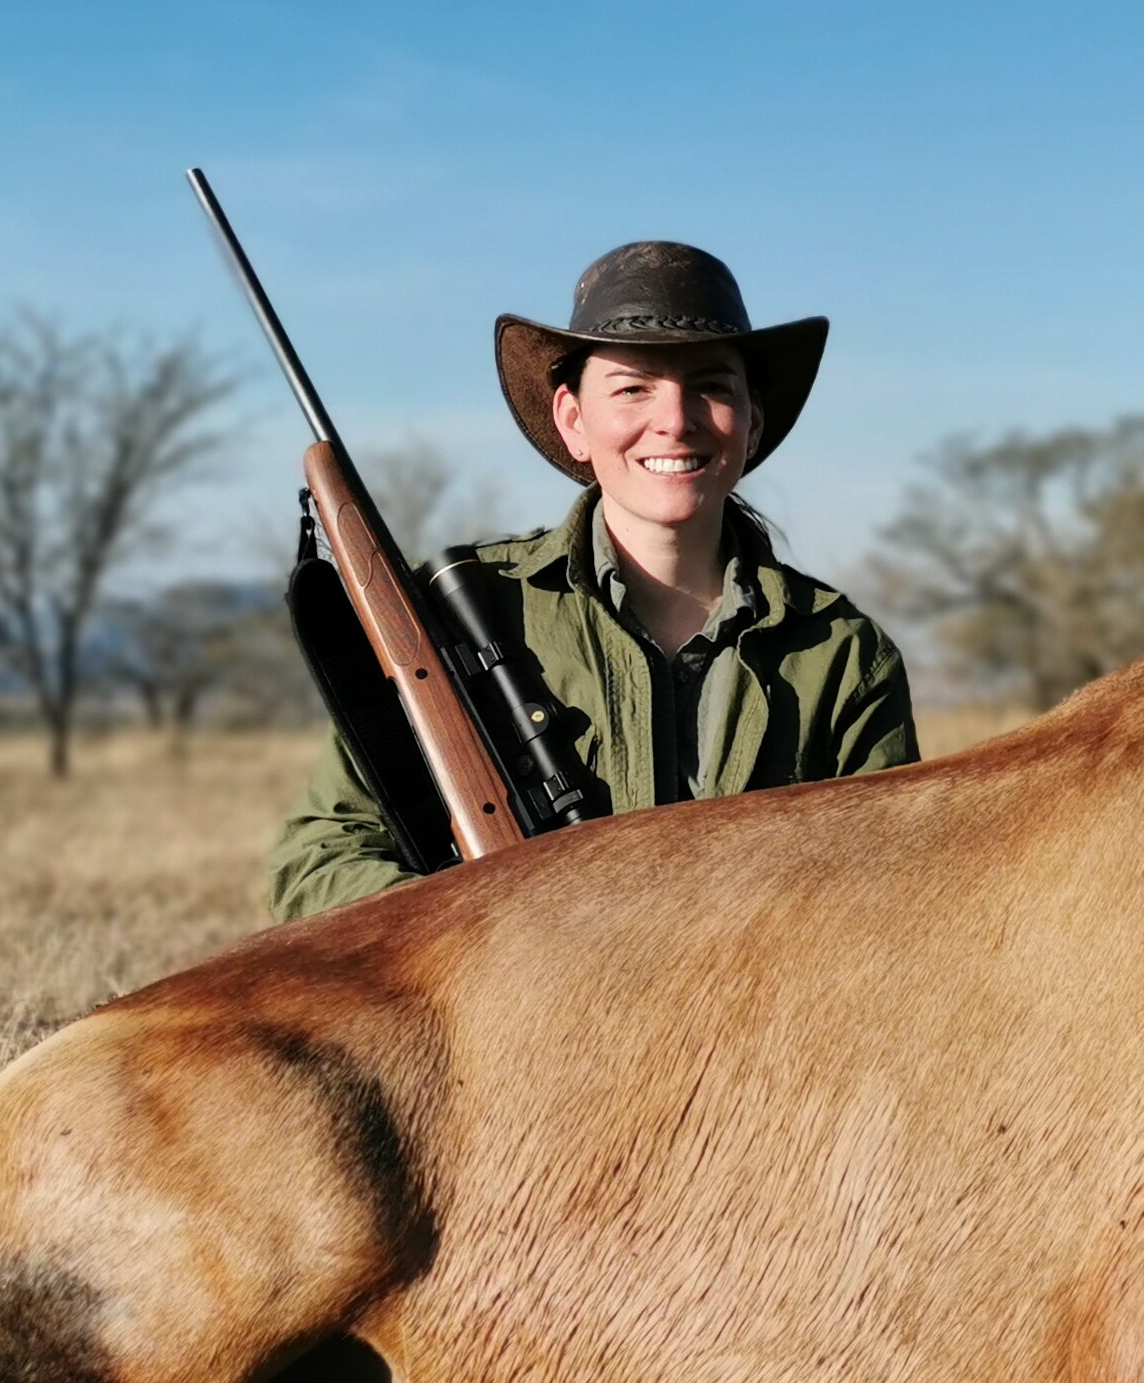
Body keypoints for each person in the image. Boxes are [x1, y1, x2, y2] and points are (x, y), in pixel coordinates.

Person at [265, 239, 918, 920]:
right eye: (633, 388)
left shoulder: (842, 653)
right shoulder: (454, 615)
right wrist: (475, 929)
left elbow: (891, 900)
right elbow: (319, 856)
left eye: (712, 388)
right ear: (573, 421)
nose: (673, 420)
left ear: (751, 424)